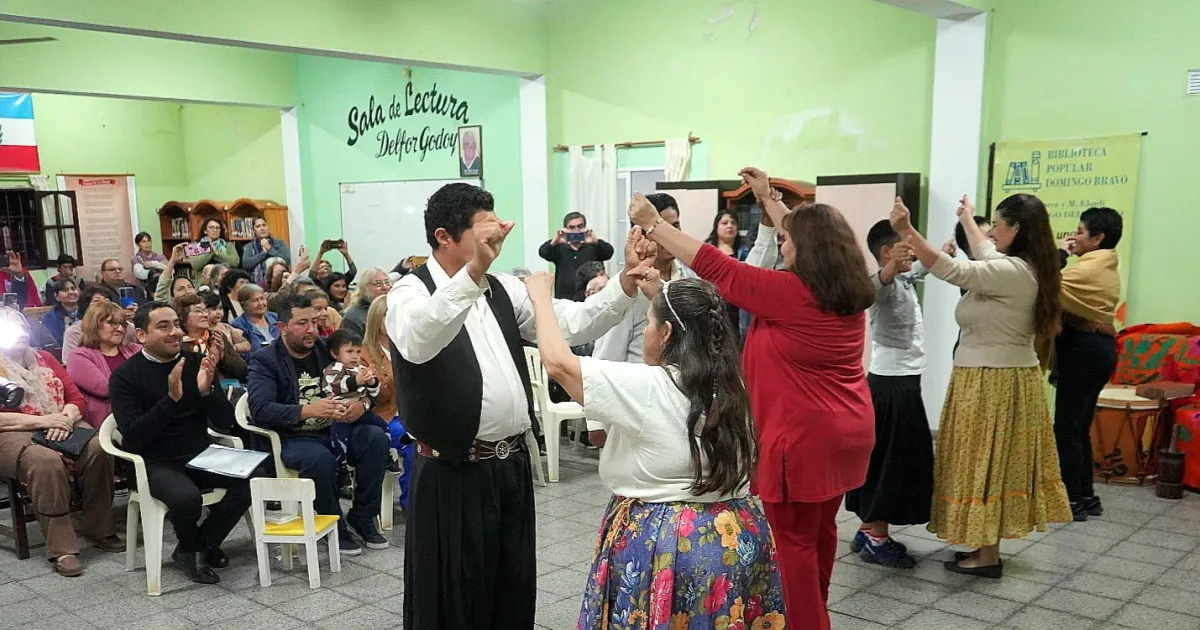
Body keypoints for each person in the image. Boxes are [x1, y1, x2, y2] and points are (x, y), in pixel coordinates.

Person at [628, 167, 876, 630]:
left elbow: (716, 267)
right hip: (848, 433)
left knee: (792, 547)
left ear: (808, 249)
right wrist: (767, 198)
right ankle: (815, 612)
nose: (782, 242)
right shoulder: (846, 288)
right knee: (819, 535)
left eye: (788, 239)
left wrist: (653, 224)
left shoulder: (790, 293)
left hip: (803, 438)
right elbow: (804, 233)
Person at [388, 182, 639, 630]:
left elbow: (571, 323)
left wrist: (624, 283)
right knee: (453, 597)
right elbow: (419, 340)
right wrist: (472, 273)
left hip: (510, 465)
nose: (497, 237)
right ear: (444, 237)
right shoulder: (409, 291)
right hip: (451, 470)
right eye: (485, 229)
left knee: (511, 587)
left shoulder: (502, 288)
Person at [528, 269, 786, 629]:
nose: (646, 332)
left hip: (668, 539)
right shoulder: (730, 383)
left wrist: (540, 297)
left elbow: (558, 364)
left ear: (666, 333)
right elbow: (690, 325)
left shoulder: (649, 386)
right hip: (734, 533)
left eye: (649, 323)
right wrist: (661, 296)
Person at [890, 193, 1071, 579]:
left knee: (985, 464)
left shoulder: (1014, 271)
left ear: (1016, 229)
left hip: (994, 380)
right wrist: (967, 218)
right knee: (986, 463)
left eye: (998, 227)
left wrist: (907, 231)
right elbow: (983, 250)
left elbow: (952, 269)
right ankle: (983, 546)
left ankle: (987, 556)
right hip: (995, 376)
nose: (992, 235)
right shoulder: (1024, 265)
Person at [110, 301, 251, 584]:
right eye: (163, 327)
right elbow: (133, 436)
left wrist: (206, 392)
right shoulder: (125, 376)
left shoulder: (195, 362)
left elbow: (225, 422)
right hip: (154, 461)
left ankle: (196, 547)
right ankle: (198, 550)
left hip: (199, 453)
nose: (175, 332)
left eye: (176, 324)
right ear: (142, 335)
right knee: (187, 498)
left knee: (252, 476)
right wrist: (171, 400)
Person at [247, 292, 390, 556]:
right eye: (302, 323)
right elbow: (259, 409)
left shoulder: (330, 348)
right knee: (320, 458)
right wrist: (307, 410)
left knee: (376, 438)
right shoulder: (265, 360)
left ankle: (363, 516)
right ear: (282, 327)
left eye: (314, 322)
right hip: (295, 436)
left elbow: (369, 385)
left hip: (338, 429)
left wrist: (362, 405)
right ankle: (334, 524)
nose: (312, 330)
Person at [0, 308, 121, 577]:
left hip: (60, 420)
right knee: (45, 461)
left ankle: (98, 526)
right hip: (12, 430)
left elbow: (75, 398)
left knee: (98, 447)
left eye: (23, 326)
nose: (20, 333)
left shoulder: (44, 359)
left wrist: (63, 419)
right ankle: (62, 547)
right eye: (10, 328)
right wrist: (44, 422)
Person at [843, 220, 937, 569]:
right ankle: (877, 540)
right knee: (890, 464)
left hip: (902, 382)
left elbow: (921, 270)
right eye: (906, 246)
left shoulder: (904, 278)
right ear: (887, 252)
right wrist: (889, 269)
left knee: (886, 460)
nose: (913, 252)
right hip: (891, 385)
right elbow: (874, 287)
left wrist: (939, 253)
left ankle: (867, 529)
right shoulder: (879, 283)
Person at [1054, 206, 1123, 521]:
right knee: (1078, 427)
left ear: (1098, 238)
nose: (1074, 236)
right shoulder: (1103, 264)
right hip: (1097, 350)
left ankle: (1072, 500)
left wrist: (1059, 256)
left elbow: (1049, 286)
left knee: (1068, 428)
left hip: (1085, 351)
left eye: (1080, 232)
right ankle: (1086, 496)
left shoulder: (1090, 268)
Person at [592, 193, 695, 365]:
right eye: (662, 230)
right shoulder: (626, 289)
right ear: (641, 235)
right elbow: (606, 359)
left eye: (675, 226)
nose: (672, 235)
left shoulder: (689, 278)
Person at [323, 328, 399, 473]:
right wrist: (357, 381)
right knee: (339, 437)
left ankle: (388, 453)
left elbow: (374, 394)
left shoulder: (361, 369)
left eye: (358, 352)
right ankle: (342, 465)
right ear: (334, 354)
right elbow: (337, 386)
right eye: (349, 352)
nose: (355, 356)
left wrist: (372, 383)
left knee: (382, 426)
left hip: (362, 411)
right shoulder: (333, 369)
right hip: (340, 411)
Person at [65, 302, 142, 429]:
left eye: (123, 324)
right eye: (113, 323)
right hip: (108, 424)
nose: (120, 329)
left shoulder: (136, 349)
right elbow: (106, 389)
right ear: (94, 325)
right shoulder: (78, 356)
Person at [538, 212, 615, 298]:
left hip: (591, 298)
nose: (576, 230)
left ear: (585, 228)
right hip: (565, 299)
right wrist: (555, 241)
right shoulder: (559, 248)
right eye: (571, 227)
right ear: (565, 229)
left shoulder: (594, 246)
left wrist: (596, 242)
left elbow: (609, 253)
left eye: (580, 226)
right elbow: (542, 252)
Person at [174, 293, 248, 382]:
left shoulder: (217, 337)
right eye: (198, 311)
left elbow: (243, 372)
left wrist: (222, 356)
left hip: (226, 387)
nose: (205, 315)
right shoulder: (178, 344)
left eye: (205, 310)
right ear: (182, 317)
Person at [704, 210, 750, 335]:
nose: (730, 226)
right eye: (725, 223)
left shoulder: (745, 252)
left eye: (733, 223)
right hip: (714, 308)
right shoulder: (707, 251)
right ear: (716, 227)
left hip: (739, 310)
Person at [62, 285, 136, 358]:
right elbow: (69, 361)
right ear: (86, 306)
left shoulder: (128, 327)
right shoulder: (74, 331)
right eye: (97, 301)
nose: (103, 306)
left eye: (107, 301)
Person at [339, 267, 390, 336]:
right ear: (364, 289)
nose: (385, 287)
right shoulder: (354, 317)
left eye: (387, 283)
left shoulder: (392, 309)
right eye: (378, 284)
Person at [241, 217, 290, 287]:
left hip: (280, 284)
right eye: (258, 226)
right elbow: (246, 264)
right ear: (253, 230)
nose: (262, 228)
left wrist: (269, 249)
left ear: (268, 227)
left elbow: (287, 260)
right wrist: (263, 253)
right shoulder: (249, 246)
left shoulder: (279, 243)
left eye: (264, 225)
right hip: (255, 286)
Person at [201, 290, 252, 355]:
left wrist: (233, 348)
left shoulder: (226, 327)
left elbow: (247, 344)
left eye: (220, 308)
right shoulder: (201, 330)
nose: (218, 312)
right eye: (214, 309)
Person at [231, 284, 279, 351]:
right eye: (255, 300)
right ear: (244, 305)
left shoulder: (275, 317)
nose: (260, 303)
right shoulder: (238, 325)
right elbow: (245, 354)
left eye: (262, 298)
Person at [41, 277, 81, 347]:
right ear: (56, 296)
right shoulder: (50, 317)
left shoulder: (87, 312)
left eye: (73, 289)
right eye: (65, 290)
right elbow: (55, 343)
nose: (71, 292)